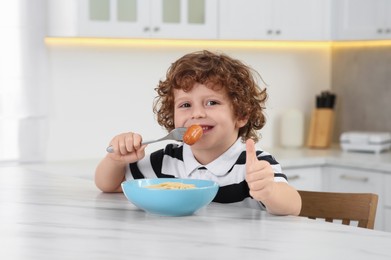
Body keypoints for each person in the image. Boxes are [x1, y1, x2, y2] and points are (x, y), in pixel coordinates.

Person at [95, 50, 301, 216]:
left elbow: (293, 205)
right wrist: (116, 160)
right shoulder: (166, 160)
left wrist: (269, 191)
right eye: (185, 104)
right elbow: (108, 185)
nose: (197, 113)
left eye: (212, 102)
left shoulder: (254, 164)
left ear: (241, 114)